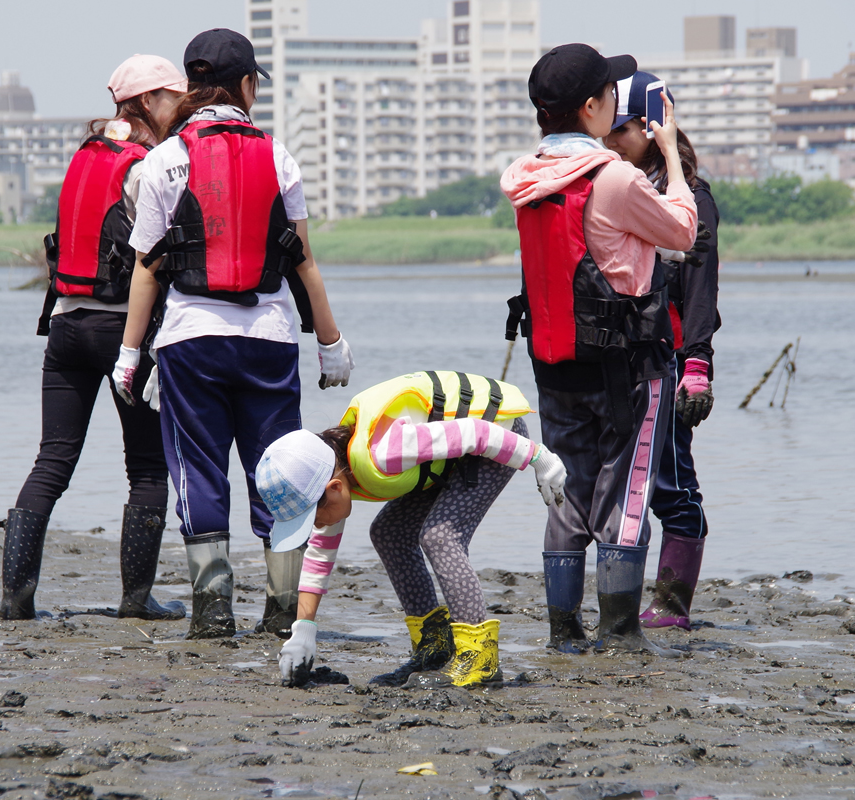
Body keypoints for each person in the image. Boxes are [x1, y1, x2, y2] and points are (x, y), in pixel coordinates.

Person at [114, 29, 353, 641]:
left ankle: (213, 610)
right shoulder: (280, 156)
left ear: (192, 88)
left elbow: (147, 269)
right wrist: (329, 341)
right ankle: (279, 610)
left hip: (191, 340)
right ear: (247, 86)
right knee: (277, 469)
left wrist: (129, 355)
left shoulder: (165, 159)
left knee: (198, 468)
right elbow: (303, 260)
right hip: (271, 339)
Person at [500, 44, 698, 657]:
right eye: (611, 94)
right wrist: (670, 155)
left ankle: (564, 629)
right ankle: (618, 629)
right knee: (628, 490)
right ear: (590, 106)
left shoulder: (524, 176)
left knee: (566, 488)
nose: (617, 104)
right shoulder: (613, 178)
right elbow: (683, 230)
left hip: (555, 361)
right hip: (628, 367)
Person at [0, 55, 189, 621]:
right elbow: (160, 253)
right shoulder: (146, 164)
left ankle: (15, 598)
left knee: (51, 461)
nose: (184, 110)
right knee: (149, 467)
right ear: (151, 100)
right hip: (117, 330)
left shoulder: (86, 154)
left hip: (64, 326)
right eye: (177, 100)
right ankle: (136, 599)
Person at [254, 371, 567, 689]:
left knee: (440, 535)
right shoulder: (334, 468)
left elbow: (477, 432)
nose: (317, 526)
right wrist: (303, 632)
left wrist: (539, 459)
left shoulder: (386, 452)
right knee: (389, 532)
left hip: (497, 434)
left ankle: (479, 658)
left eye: (312, 518)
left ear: (334, 488)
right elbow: (320, 555)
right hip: (451, 452)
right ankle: (435, 647)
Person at [603, 71, 719, 631]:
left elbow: (701, 291)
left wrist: (697, 365)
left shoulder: (691, 198)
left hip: (671, 361)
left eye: (621, 130)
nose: (610, 141)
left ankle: (673, 606)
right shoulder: (623, 188)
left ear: (653, 130)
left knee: (672, 484)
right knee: (627, 481)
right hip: (625, 359)